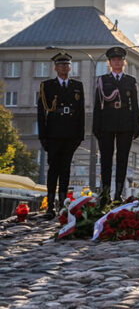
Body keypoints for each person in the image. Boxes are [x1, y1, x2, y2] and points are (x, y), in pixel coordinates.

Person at [37, 52, 84, 218]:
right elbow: (41, 113)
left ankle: (63, 203)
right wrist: (42, 136)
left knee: (65, 170)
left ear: (70, 67)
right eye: (61, 65)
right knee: (53, 170)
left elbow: (81, 113)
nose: (64, 68)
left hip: (70, 134)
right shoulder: (47, 86)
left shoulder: (76, 85)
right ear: (55, 68)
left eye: (67, 65)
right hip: (53, 133)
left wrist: (80, 135)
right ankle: (50, 205)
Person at [92, 46, 139, 201]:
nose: (117, 62)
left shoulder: (130, 81)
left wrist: (136, 125)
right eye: (114, 60)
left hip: (125, 123)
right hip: (106, 122)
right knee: (106, 159)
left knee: (122, 159)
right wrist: (96, 126)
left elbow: (135, 106)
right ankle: (105, 193)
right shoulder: (102, 80)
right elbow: (97, 105)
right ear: (109, 62)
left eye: (119, 59)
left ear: (123, 62)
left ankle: (118, 193)